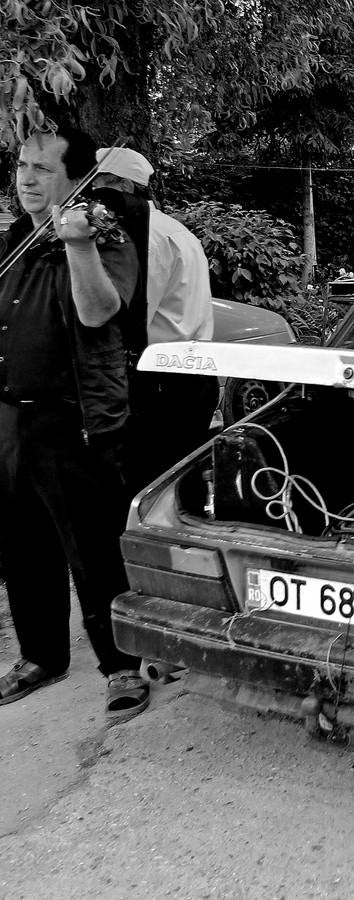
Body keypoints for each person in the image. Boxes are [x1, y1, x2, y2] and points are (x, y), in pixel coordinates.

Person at [0, 127, 149, 719]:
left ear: (75, 177)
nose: (27, 179)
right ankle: (41, 656)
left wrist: (78, 245)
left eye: (42, 169)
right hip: (13, 423)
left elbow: (100, 311)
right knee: (21, 547)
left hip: (76, 421)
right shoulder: (14, 239)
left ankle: (122, 667)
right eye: (21, 166)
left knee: (92, 552)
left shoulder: (104, 234)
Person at [92, 147, 217, 490]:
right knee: (176, 488)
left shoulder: (143, 236)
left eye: (98, 186)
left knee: (147, 489)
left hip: (162, 386)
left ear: (123, 187)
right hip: (192, 379)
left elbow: (133, 317)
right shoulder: (177, 230)